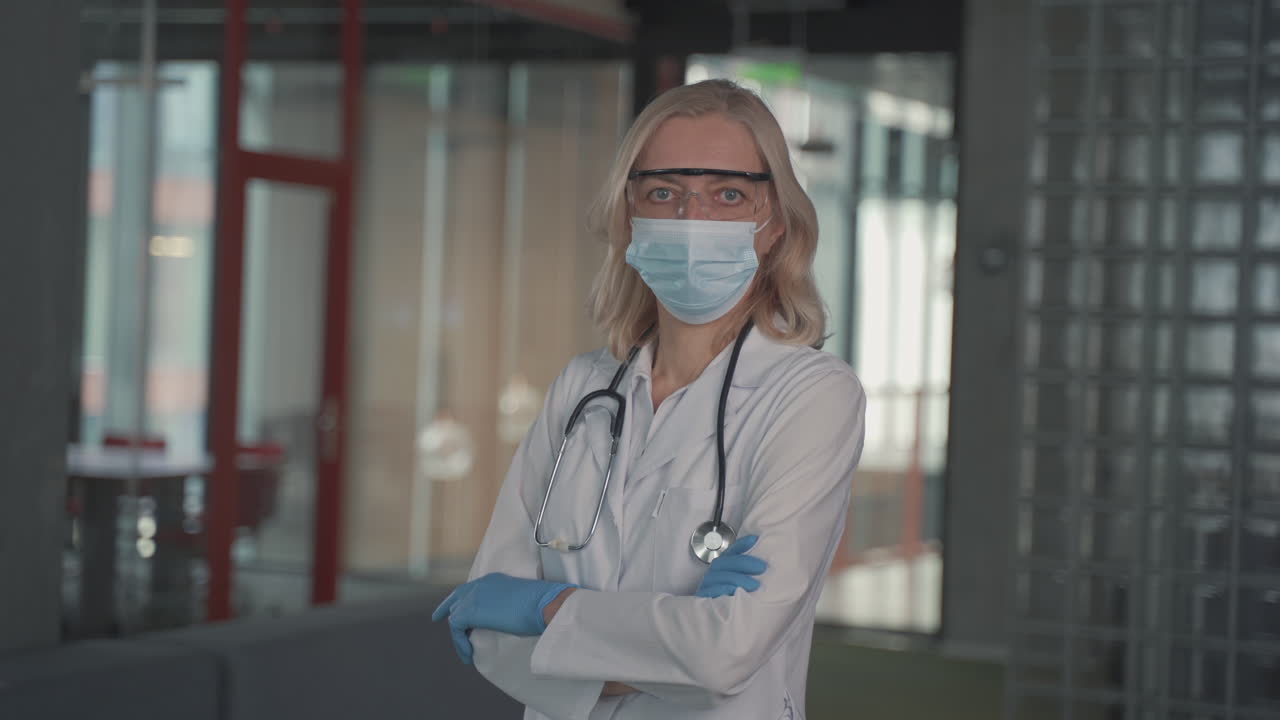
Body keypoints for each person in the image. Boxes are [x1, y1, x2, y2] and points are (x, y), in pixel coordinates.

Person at [431, 78, 866, 720]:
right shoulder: (582, 388)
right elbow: (492, 641)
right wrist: (675, 644)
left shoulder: (811, 397)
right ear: (628, 215)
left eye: (728, 194)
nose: (692, 219)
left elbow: (727, 654)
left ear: (774, 224)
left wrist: (544, 610)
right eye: (664, 193)